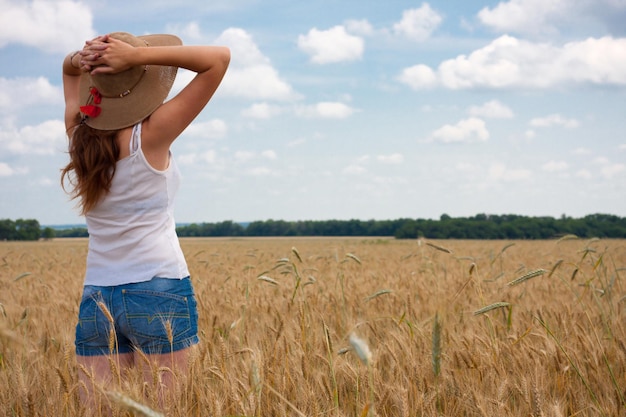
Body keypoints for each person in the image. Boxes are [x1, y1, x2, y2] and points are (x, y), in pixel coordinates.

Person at [61, 32, 230, 413]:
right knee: (170, 409)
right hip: (158, 288)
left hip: (97, 296)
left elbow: (67, 71)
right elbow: (218, 59)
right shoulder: (150, 136)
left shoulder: (79, 137)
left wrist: (85, 58)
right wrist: (134, 56)